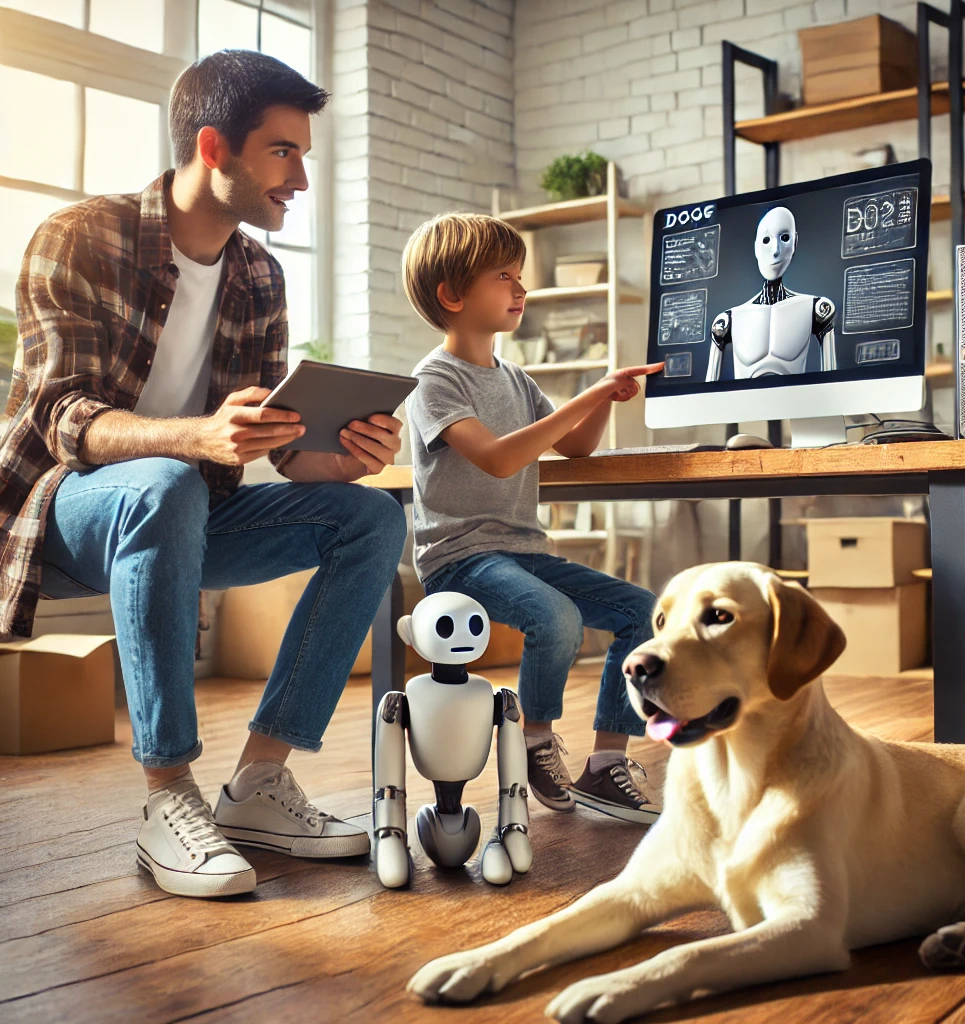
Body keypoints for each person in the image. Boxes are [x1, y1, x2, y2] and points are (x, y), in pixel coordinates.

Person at [0, 50, 407, 899]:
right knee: (167, 481)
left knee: (368, 520)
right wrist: (195, 438)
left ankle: (260, 783)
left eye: (303, 153)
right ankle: (167, 797)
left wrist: (335, 458)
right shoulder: (78, 237)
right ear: (215, 147)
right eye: (283, 152)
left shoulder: (260, 273)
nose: (300, 176)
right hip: (70, 511)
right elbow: (61, 417)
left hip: (192, 511)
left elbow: (277, 445)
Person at [402, 212, 664, 825]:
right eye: (505, 277)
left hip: (524, 551)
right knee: (556, 617)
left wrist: (603, 397)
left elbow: (575, 447)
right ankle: (535, 739)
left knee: (641, 610)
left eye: (521, 276)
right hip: (459, 558)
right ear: (453, 294)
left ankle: (605, 766)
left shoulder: (517, 380)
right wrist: (589, 395)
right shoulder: (432, 379)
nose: (522, 290)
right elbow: (497, 459)